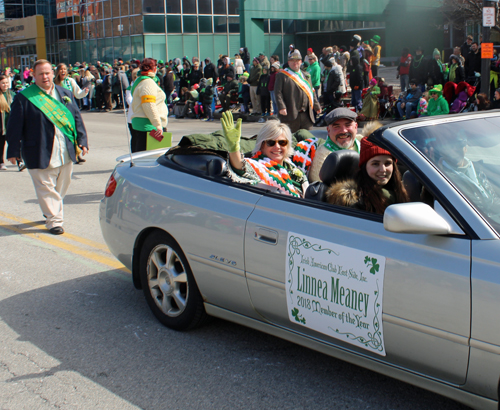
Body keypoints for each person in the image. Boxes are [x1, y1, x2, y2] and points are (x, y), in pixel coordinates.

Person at [6, 59, 88, 235]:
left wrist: (82, 140)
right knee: (46, 187)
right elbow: (14, 126)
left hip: (65, 149)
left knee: (61, 187)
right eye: (41, 73)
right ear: (33, 76)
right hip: (38, 150)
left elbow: (76, 118)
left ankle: (49, 208)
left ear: (53, 73)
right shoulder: (24, 98)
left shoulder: (65, 93)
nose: (45, 76)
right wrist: (13, 151)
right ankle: (54, 221)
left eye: (48, 72)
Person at [221, 111, 308, 197]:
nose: (277, 146)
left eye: (282, 142)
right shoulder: (258, 166)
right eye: (271, 142)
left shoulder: (291, 165)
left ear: (288, 145)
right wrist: (233, 147)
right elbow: (240, 167)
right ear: (262, 145)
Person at [326, 134, 409, 214]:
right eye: (375, 164)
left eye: (388, 163)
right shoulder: (355, 201)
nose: (383, 169)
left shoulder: (400, 190)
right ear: (364, 167)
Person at [308, 108, 362, 183]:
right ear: (328, 131)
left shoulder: (364, 145)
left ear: (356, 127)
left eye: (348, 125)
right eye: (337, 126)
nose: (343, 131)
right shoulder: (323, 155)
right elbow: (321, 188)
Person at [274, 49, 321, 133]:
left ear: (301, 62)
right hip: (290, 114)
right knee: (291, 140)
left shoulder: (306, 75)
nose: (295, 63)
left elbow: (311, 91)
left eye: (297, 61)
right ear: (288, 63)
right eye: (292, 61)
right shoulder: (282, 75)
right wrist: (281, 107)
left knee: (307, 139)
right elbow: (278, 93)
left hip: (306, 114)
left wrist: (317, 106)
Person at [130, 58, 168, 152]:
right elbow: (149, 104)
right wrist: (158, 124)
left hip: (145, 124)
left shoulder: (140, 81)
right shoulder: (148, 83)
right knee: (153, 158)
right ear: (154, 68)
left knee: (142, 157)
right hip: (150, 126)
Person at [0, 75, 14, 171]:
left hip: (10, 123)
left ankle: (19, 161)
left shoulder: (11, 94)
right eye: (3, 83)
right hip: (1, 124)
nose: (5, 85)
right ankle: (1, 162)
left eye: (6, 83)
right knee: (1, 144)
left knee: (14, 142)